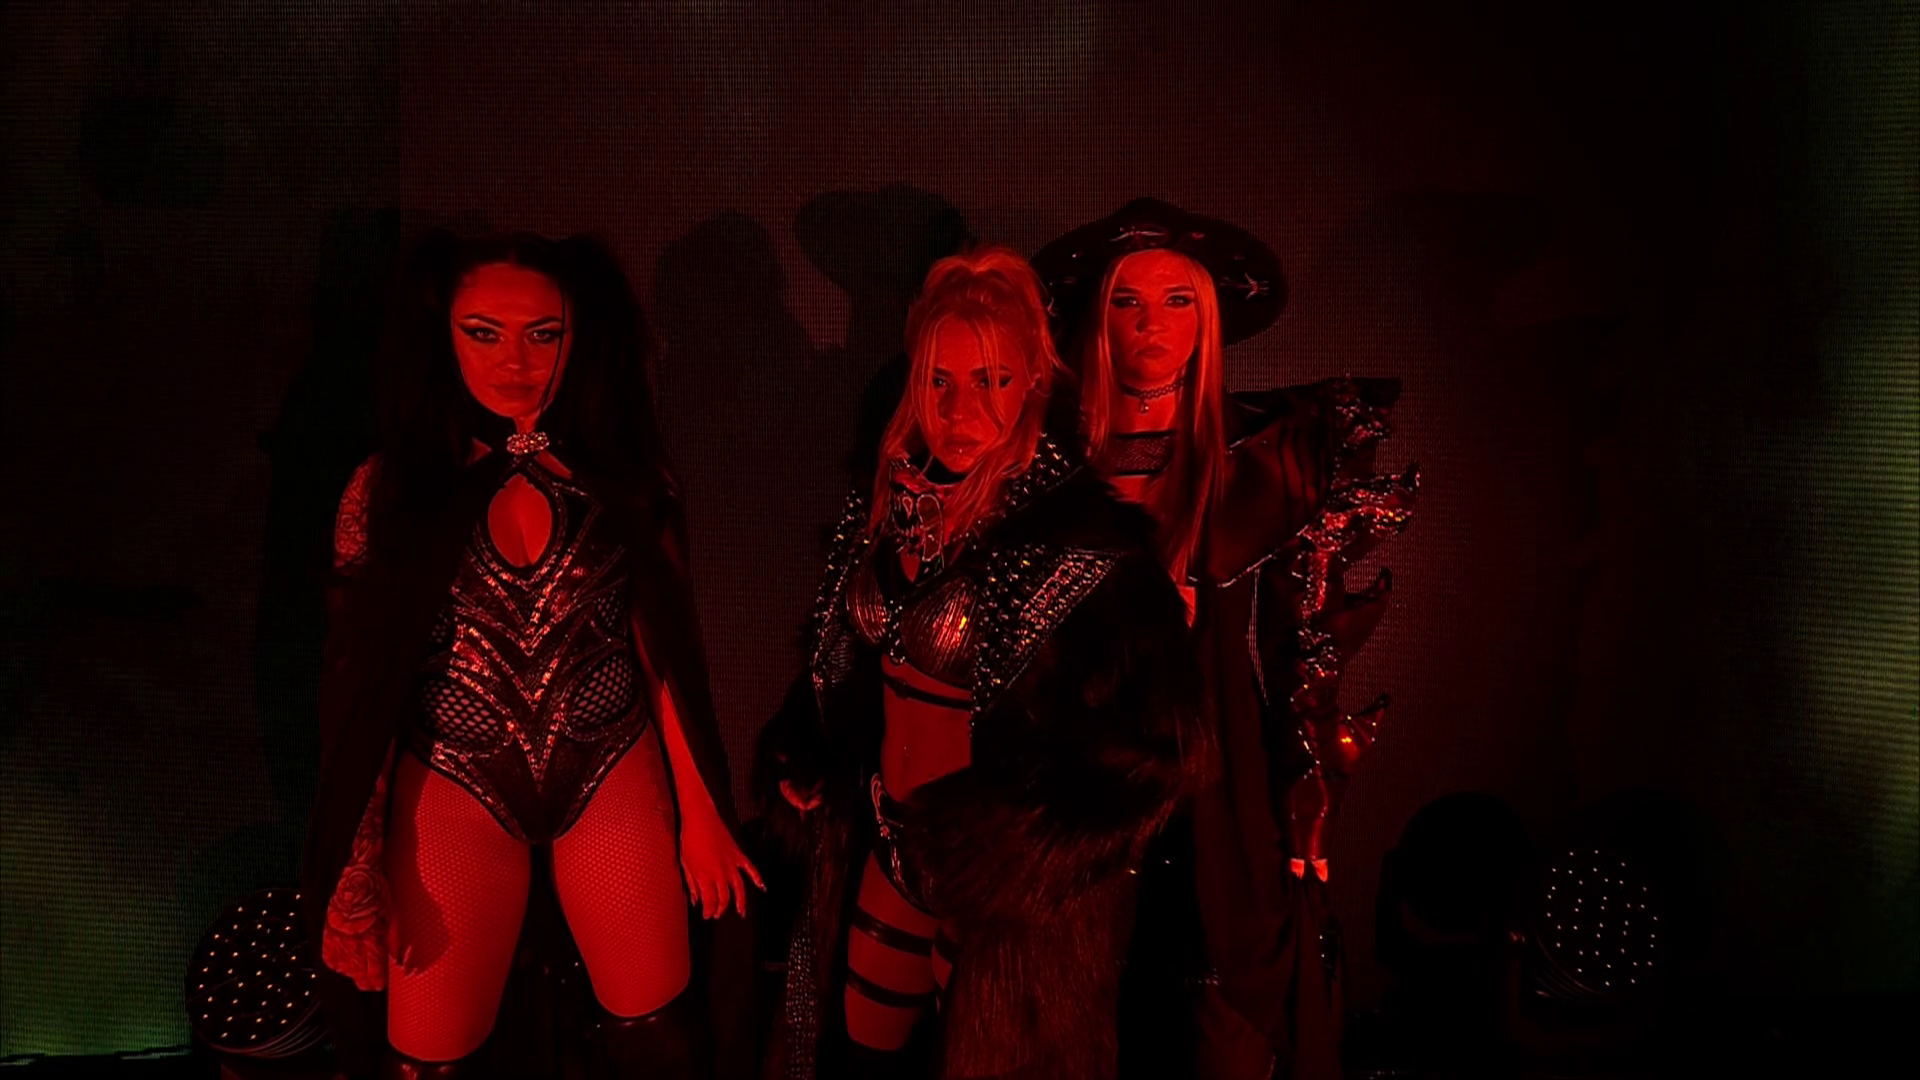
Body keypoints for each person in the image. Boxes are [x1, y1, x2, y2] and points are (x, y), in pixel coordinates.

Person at [300, 230, 760, 1078]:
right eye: (484, 333)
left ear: (578, 337)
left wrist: (702, 814)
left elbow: (663, 651)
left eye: (542, 334)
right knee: (430, 1062)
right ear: (441, 334)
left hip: (609, 766)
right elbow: (357, 693)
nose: (515, 363)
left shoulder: (623, 480)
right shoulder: (389, 492)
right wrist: (358, 864)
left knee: (659, 1041)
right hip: (453, 781)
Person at [755, 247, 1207, 1080]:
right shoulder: (887, 507)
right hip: (888, 844)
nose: (960, 410)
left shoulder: (1085, 544)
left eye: (991, 381)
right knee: (854, 1058)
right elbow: (841, 659)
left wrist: (1020, 842)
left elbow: (1163, 749)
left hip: (1007, 889)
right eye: (940, 381)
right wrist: (808, 746)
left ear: (1031, 381)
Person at [1034, 199, 1419, 1080]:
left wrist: (1309, 796)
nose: (1152, 324)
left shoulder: (1266, 457)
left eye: (1177, 300)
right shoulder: (1043, 463)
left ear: (1208, 317)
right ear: (1097, 317)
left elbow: (1300, 642)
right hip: (1076, 788)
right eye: (1128, 301)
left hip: (1218, 791)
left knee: (1219, 1017)